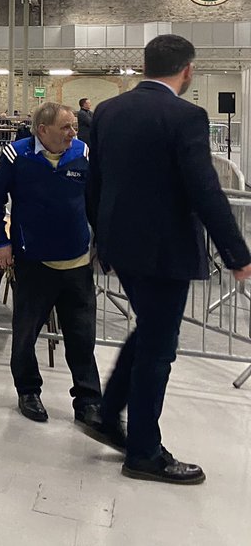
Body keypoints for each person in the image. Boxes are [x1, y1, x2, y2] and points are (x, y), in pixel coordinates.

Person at [86, 35, 251, 485]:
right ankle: (144, 452)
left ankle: (106, 415)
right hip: (165, 253)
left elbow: (93, 183)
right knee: (158, 351)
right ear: (188, 70)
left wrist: (102, 238)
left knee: (149, 332)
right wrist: (237, 254)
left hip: (121, 248)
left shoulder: (108, 111)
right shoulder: (187, 115)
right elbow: (205, 191)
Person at [0, 102, 104, 432]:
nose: (72, 133)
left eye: (74, 127)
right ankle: (28, 392)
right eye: (66, 127)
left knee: (82, 338)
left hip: (77, 263)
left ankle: (89, 401)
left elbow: (96, 202)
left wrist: (101, 244)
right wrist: (0, 242)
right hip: (33, 262)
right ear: (43, 130)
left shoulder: (82, 153)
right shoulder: (16, 155)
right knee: (25, 335)